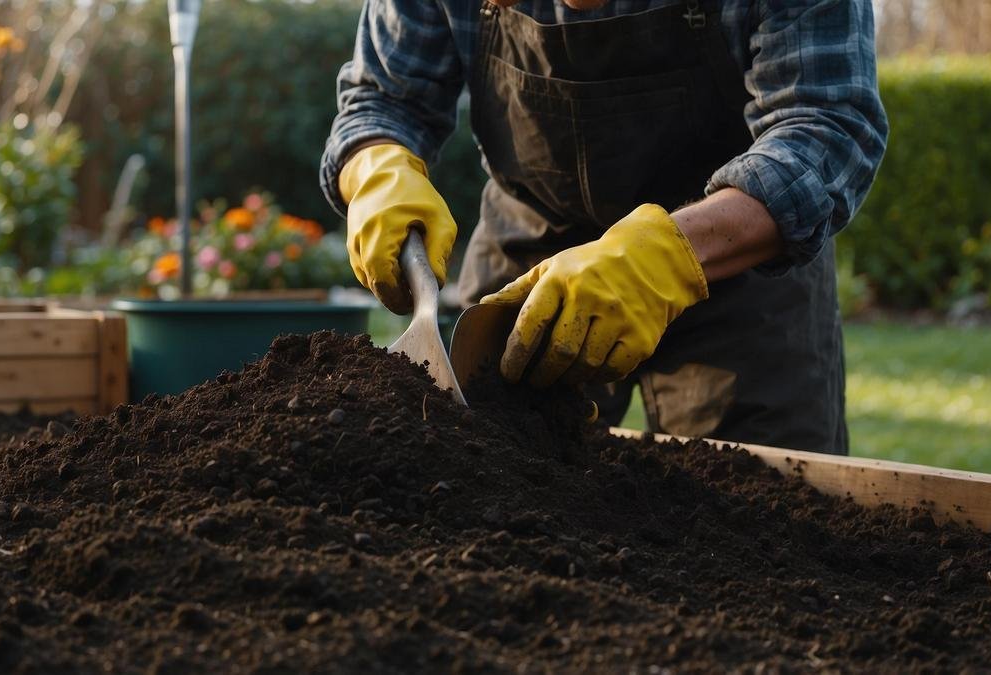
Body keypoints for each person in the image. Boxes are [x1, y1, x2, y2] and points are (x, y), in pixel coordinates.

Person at [320, 0, 888, 455]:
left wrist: (663, 256)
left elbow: (825, 127)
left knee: (765, 528)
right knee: (480, 483)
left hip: (737, 257)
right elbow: (383, 99)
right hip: (531, 250)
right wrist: (376, 169)